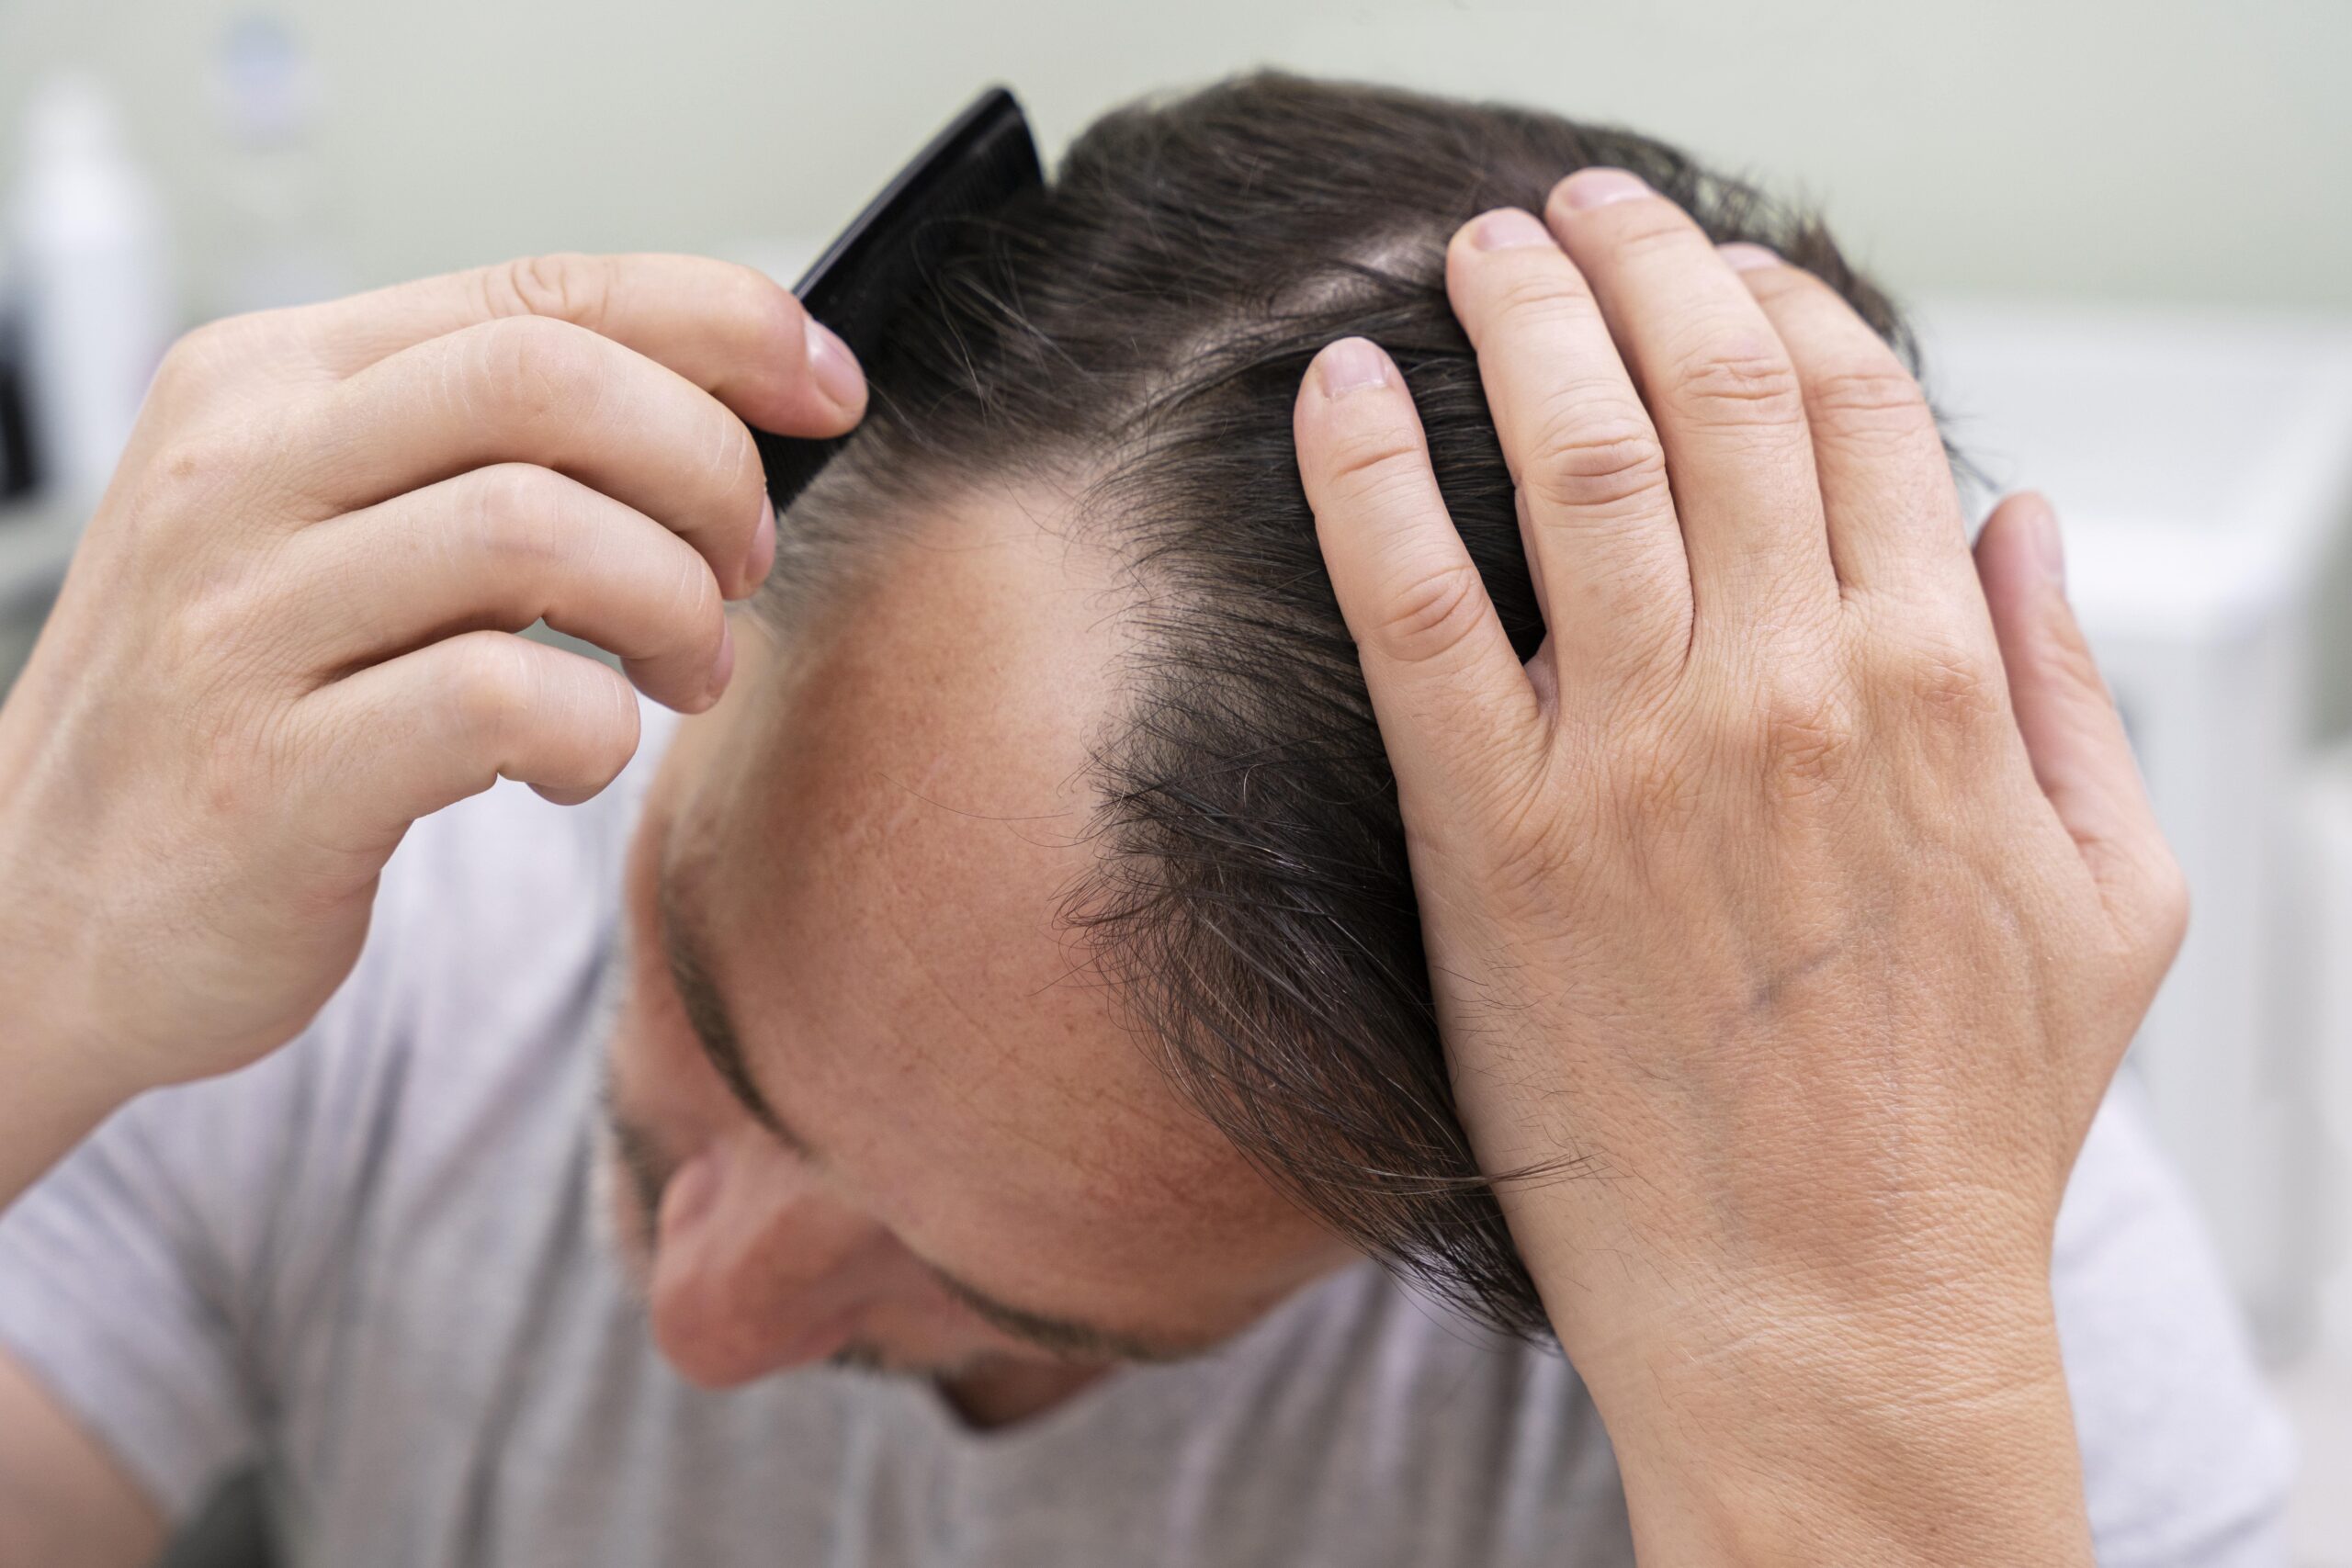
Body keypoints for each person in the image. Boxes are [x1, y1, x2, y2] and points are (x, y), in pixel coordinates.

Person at [0, 73, 2291, 1566]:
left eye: (1016, 1305)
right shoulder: (354, 912)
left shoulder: (1864, 1228)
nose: (698, 1311)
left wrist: (1839, 1418)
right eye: (700, 984)